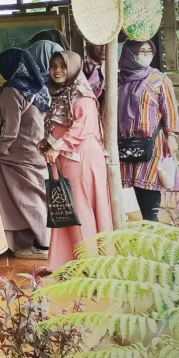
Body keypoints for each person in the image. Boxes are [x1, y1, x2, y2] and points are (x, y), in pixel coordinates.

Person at [41, 51, 114, 270]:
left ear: (73, 67)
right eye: (53, 66)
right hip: (67, 155)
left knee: (79, 208)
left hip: (80, 157)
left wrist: (58, 146)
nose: (57, 70)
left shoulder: (81, 93)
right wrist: (47, 143)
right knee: (66, 206)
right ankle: (68, 261)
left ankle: (88, 262)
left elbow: (83, 126)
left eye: (63, 66)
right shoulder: (63, 92)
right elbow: (60, 124)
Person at [0, 47, 54, 260]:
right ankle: (43, 241)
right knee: (38, 198)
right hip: (39, 151)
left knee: (26, 199)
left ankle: (40, 244)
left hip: (20, 154)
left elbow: (10, 131)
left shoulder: (12, 90)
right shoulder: (40, 88)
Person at [117, 40, 179, 222]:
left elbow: (169, 108)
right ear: (129, 53)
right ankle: (145, 224)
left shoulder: (158, 78)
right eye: (141, 51)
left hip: (153, 142)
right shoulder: (118, 80)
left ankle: (151, 224)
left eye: (148, 51)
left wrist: (172, 135)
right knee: (136, 181)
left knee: (150, 180)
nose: (145, 54)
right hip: (125, 143)